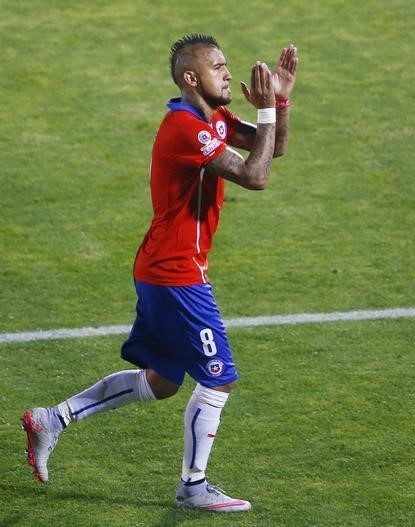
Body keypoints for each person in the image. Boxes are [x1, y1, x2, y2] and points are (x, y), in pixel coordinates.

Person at [21, 34, 298, 513]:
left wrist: (281, 102)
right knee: (219, 379)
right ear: (192, 78)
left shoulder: (213, 120)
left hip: (162, 268)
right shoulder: (186, 128)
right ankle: (193, 486)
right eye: (218, 66)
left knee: (162, 381)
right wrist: (270, 108)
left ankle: (52, 419)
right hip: (176, 273)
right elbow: (255, 178)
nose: (228, 72)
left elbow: (270, 151)